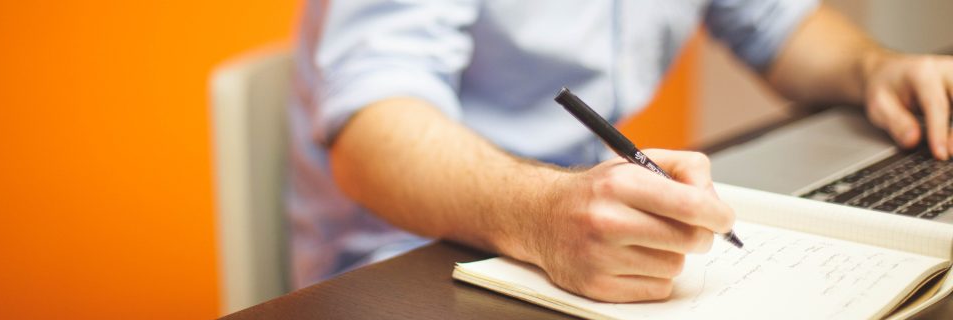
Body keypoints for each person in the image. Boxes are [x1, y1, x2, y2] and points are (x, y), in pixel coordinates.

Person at [286, 0, 953, 301]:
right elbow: (371, 128)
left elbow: (776, 21)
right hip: (412, 267)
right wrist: (545, 215)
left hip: (586, 232)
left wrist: (873, 70)